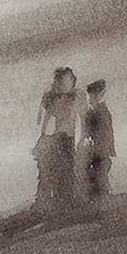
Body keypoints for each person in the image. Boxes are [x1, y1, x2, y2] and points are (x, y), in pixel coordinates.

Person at [32, 66, 80, 213]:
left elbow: (79, 119)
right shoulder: (54, 99)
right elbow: (43, 120)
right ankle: (58, 203)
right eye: (67, 80)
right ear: (59, 83)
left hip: (67, 139)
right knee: (59, 171)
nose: (71, 83)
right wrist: (43, 137)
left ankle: (65, 203)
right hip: (59, 139)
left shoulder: (73, 98)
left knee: (67, 171)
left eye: (71, 80)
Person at [80, 79, 115, 200]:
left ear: (100, 95)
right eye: (90, 96)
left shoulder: (101, 112)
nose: (90, 99)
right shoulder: (96, 111)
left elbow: (105, 132)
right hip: (98, 149)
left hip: (100, 149)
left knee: (100, 176)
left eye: (93, 96)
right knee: (97, 175)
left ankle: (101, 198)